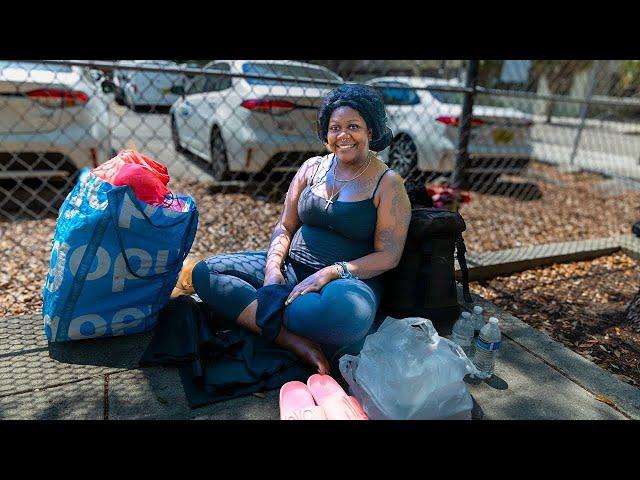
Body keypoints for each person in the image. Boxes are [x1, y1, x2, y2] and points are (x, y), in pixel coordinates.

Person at [188, 83, 412, 374]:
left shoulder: (388, 182)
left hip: (346, 283)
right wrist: (272, 269)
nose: (343, 136)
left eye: (353, 126)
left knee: (346, 316)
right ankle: (293, 340)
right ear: (326, 132)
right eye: (335, 128)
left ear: (371, 131)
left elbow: (389, 256)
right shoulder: (311, 168)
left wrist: (332, 271)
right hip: (293, 267)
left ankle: (258, 314)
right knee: (206, 272)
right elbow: (285, 226)